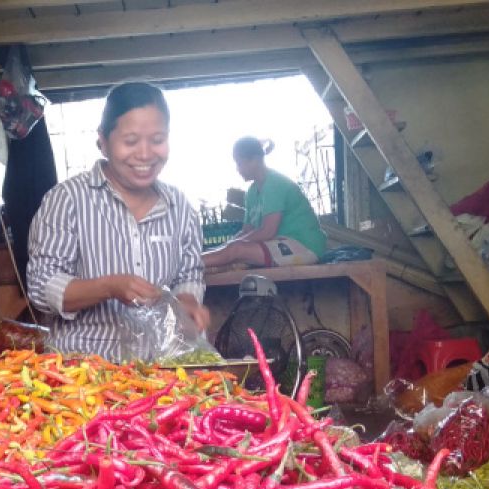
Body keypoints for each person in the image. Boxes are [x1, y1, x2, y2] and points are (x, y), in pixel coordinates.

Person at [27, 82, 209, 361]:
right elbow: (42, 287)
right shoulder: (67, 200)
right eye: (131, 141)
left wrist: (187, 302)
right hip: (83, 373)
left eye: (157, 140)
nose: (146, 154)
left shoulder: (180, 207)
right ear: (103, 141)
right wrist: (108, 287)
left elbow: (189, 275)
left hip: (163, 371)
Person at [203, 137, 328, 270]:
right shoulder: (251, 192)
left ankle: (187, 264)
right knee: (232, 253)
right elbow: (246, 231)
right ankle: (194, 263)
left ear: (255, 160)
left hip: (304, 245)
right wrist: (223, 247)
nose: (237, 169)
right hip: (278, 242)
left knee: (236, 250)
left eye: (239, 164)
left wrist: (231, 247)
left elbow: (268, 232)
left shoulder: (275, 183)